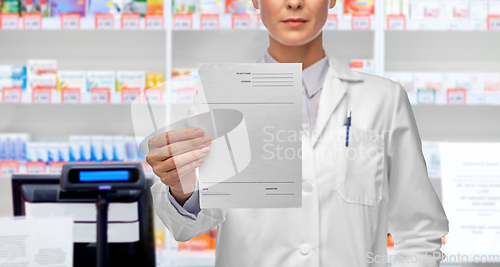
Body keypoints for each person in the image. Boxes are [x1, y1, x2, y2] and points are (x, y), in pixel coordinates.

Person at [147, 0, 449, 266]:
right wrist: (179, 186)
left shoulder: (382, 99)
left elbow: (420, 231)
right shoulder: (219, 99)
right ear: (255, 0)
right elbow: (186, 227)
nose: (294, 2)